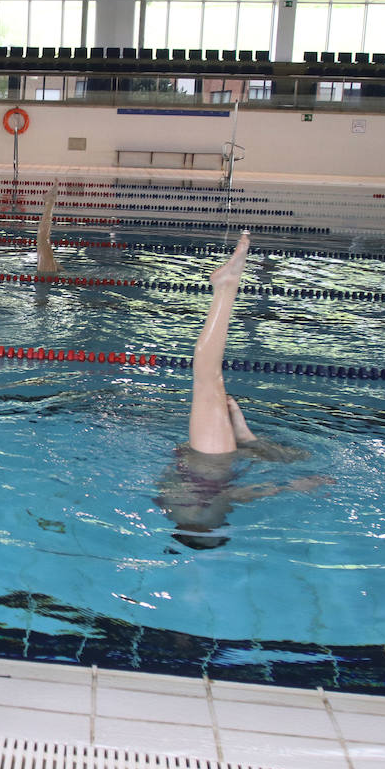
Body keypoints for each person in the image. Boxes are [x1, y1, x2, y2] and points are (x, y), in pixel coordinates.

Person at [157, 232, 328, 550]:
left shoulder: (204, 514)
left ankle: (225, 288)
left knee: (208, 378)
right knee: (213, 384)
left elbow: (239, 494)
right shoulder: (171, 508)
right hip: (205, 458)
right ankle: (245, 437)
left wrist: (293, 487)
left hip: (211, 460)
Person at [36, 182, 61, 275]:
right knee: (43, 238)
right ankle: (50, 202)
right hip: (47, 275)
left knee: (43, 238)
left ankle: (50, 202)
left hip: (48, 276)